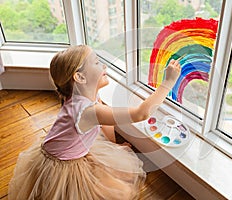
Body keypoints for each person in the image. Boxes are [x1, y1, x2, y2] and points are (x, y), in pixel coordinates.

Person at [8, 45, 181, 200]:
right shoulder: (88, 111)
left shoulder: (83, 98)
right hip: (63, 166)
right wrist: (168, 82)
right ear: (80, 77)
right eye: (97, 62)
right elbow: (141, 114)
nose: (104, 65)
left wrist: (114, 146)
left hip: (67, 150)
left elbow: (105, 122)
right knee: (119, 192)